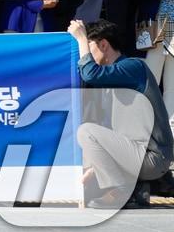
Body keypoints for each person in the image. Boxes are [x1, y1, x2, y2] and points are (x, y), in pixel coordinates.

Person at [70, 18, 173, 208]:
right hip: (137, 155)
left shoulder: (133, 67)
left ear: (103, 44)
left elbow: (90, 73)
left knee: (86, 132)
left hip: (152, 156)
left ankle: (119, 192)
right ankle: (139, 188)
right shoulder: (113, 78)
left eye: (87, 47)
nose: (83, 54)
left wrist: (81, 38)